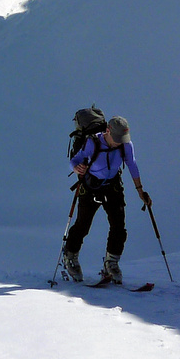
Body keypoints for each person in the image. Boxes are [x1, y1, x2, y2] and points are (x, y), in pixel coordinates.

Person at [63, 114, 150, 286]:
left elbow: (132, 164)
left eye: (122, 139)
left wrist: (140, 191)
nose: (119, 142)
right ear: (107, 131)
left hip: (113, 187)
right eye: (117, 138)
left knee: (119, 226)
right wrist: (76, 168)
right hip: (91, 188)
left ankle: (112, 262)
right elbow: (74, 160)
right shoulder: (92, 143)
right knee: (82, 225)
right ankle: (70, 256)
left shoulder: (126, 145)